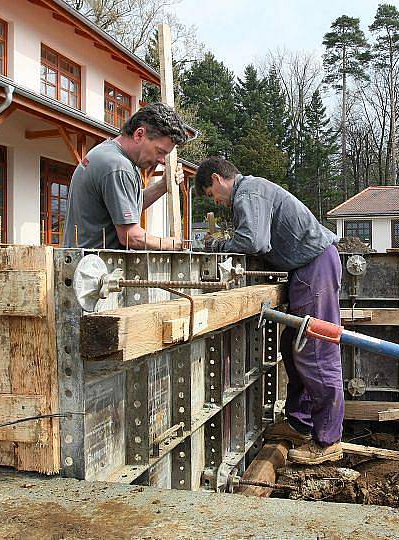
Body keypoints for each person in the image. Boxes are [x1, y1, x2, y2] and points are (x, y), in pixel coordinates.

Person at [194, 156, 344, 465]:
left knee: (315, 351)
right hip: (306, 269)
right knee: (293, 347)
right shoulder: (254, 192)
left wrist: (215, 246)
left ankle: (329, 440)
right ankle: (300, 424)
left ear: (218, 179)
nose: (217, 202)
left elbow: (253, 241)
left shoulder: (248, 193)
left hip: (315, 267)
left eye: (212, 194)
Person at [64, 103, 189, 250]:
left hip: (86, 265)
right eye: (160, 151)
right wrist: (172, 244)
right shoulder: (118, 167)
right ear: (139, 134)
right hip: (95, 268)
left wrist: (163, 185)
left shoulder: (110, 154)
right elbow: (130, 236)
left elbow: (130, 204)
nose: (162, 160)